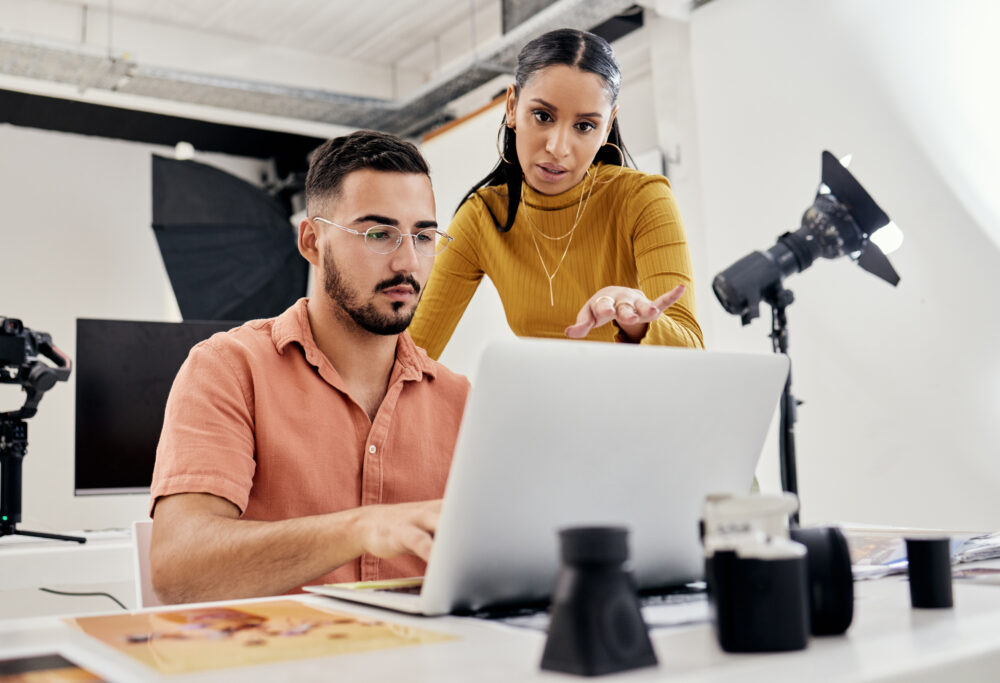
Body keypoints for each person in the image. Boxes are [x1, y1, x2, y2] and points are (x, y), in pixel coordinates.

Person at [149, 130, 469, 605]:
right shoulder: (228, 369)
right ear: (312, 241)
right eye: (378, 234)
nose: (408, 262)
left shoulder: (461, 400)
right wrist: (359, 529)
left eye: (423, 236)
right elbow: (179, 570)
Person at [409, 28, 704, 358]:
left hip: (637, 405)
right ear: (512, 107)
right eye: (542, 116)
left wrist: (637, 320)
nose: (558, 147)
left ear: (607, 126)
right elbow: (414, 351)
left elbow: (690, 350)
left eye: (584, 126)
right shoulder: (483, 216)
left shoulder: (643, 198)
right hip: (547, 406)